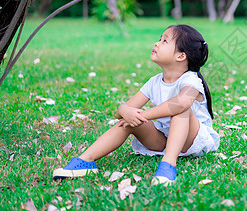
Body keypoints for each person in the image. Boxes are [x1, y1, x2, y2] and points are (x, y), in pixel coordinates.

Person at [53, 25, 220, 185]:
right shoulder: (154, 82)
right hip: (164, 139)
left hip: (193, 141)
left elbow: (181, 103)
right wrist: (126, 111)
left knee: (182, 110)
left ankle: (168, 164)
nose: (157, 43)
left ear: (181, 56)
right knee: (128, 121)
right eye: (159, 39)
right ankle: (86, 160)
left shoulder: (192, 81)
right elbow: (123, 111)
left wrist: (143, 115)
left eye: (164, 41)